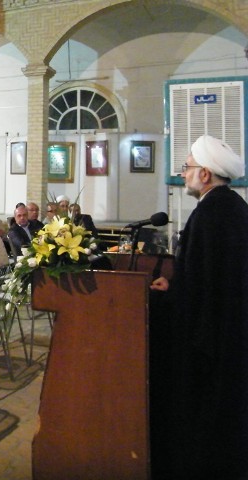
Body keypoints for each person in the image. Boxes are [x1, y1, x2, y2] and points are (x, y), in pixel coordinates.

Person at [149, 134, 248, 479]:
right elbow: (208, 275)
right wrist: (175, 284)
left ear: (204, 174)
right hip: (230, 330)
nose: (183, 173)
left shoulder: (210, 213)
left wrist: (171, 294)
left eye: (187, 167)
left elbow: (203, 286)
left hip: (209, 339)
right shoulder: (231, 206)